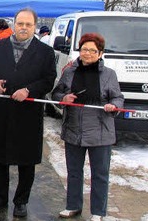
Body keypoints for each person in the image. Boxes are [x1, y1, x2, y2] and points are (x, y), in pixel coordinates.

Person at [0, 8, 57, 218]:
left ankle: (21, 201)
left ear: (34, 26)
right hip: (2, 111)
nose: (23, 28)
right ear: (14, 24)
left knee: (26, 160)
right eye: (20, 23)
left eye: (28, 24)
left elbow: (49, 79)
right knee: (0, 158)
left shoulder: (45, 52)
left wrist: (29, 90)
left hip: (28, 113)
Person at [52, 33, 123, 221]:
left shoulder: (109, 74)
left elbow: (118, 97)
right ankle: (73, 206)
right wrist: (63, 99)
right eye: (84, 49)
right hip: (73, 129)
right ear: (79, 50)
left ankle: (98, 212)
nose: (88, 53)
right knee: (74, 171)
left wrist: (113, 106)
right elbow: (56, 93)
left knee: (100, 174)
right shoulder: (69, 72)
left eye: (93, 50)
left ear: (100, 54)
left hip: (100, 131)